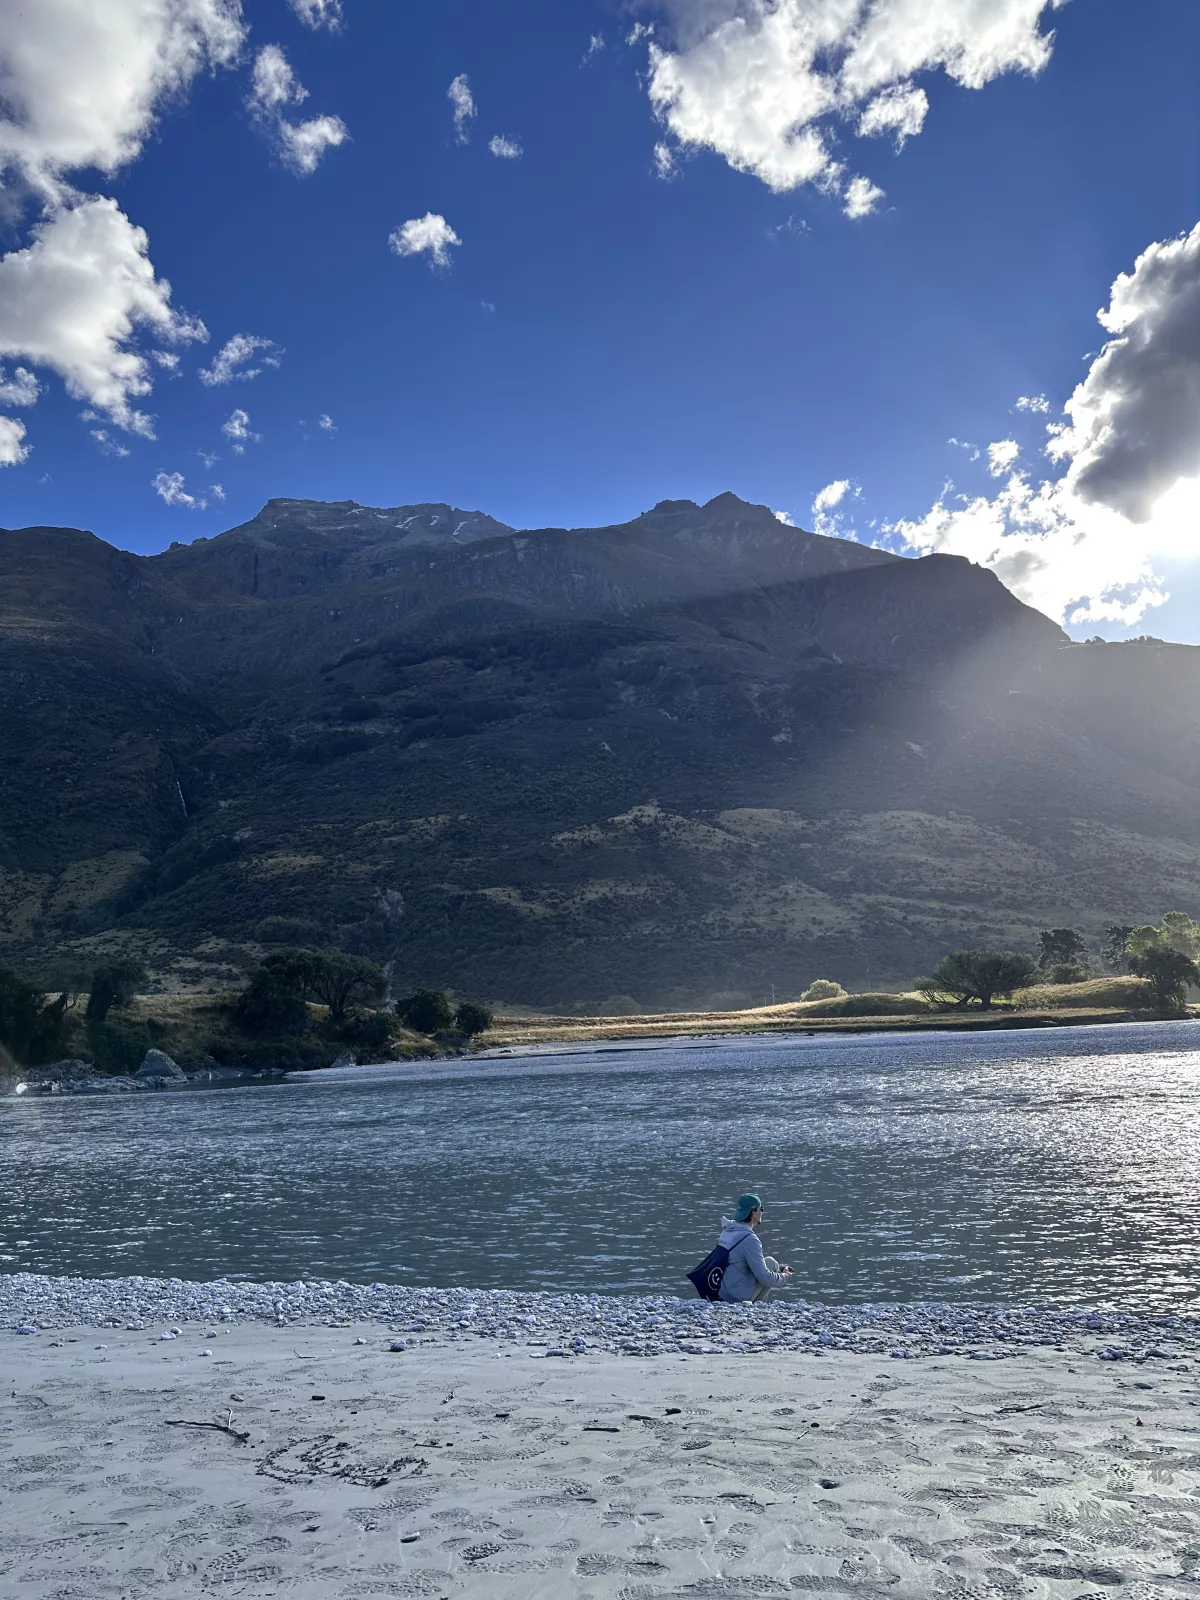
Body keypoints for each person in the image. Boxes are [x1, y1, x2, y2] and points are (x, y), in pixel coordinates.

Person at [717, 1192, 792, 1303]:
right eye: (761, 1209)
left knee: (771, 1263)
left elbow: (738, 1261)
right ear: (752, 1212)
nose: (762, 1212)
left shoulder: (728, 1230)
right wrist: (785, 1277)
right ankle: (757, 1307)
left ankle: (757, 1306)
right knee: (771, 1264)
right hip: (735, 1298)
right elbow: (765, 1278)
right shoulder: (749, 1239)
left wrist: (778, 1269)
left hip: (722, 1291)